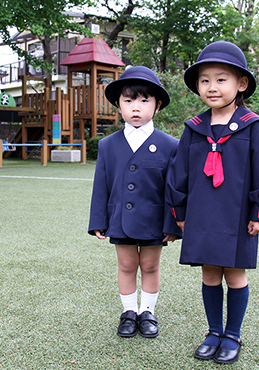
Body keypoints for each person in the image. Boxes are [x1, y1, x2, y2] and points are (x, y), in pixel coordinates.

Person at [167, 41, 259, 364]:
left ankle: (232, 334)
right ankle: (214, 331)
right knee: (210, 275)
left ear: (240, 84)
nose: (211, 87)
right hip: (202, 216)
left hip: (238, 217)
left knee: (235, 275)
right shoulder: (194, 129)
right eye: (205, 80)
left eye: (221, 79)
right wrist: (181, 214)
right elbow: (179, 175)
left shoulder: (254, 126)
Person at [88, 66, 182, 338]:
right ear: (118, 105)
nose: (136, 108)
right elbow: (101, 186)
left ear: (158, 104)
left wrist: (172, 224)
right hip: (120, 219)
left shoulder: (170, 145)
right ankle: (129, 312)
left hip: (155, 220)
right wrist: (98, 220)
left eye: (144, 100)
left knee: (150, 266)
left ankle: (147, 312)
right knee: (127, 266)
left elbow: (173, 189)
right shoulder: (108, 145)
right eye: (129, 101)